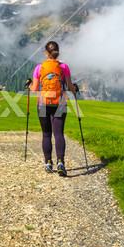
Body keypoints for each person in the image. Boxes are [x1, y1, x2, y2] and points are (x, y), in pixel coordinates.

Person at [26, 41, 77, 176]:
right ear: (57, 52)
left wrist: (29, 85)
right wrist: (75, 89)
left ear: (46, 53)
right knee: (58, 133)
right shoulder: (64, 67)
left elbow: (35, 89)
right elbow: (70, 87)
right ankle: (61, 163)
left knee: (46, 134)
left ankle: (48, 163)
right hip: (60, 103)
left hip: (42, 103)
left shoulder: (39, 68)